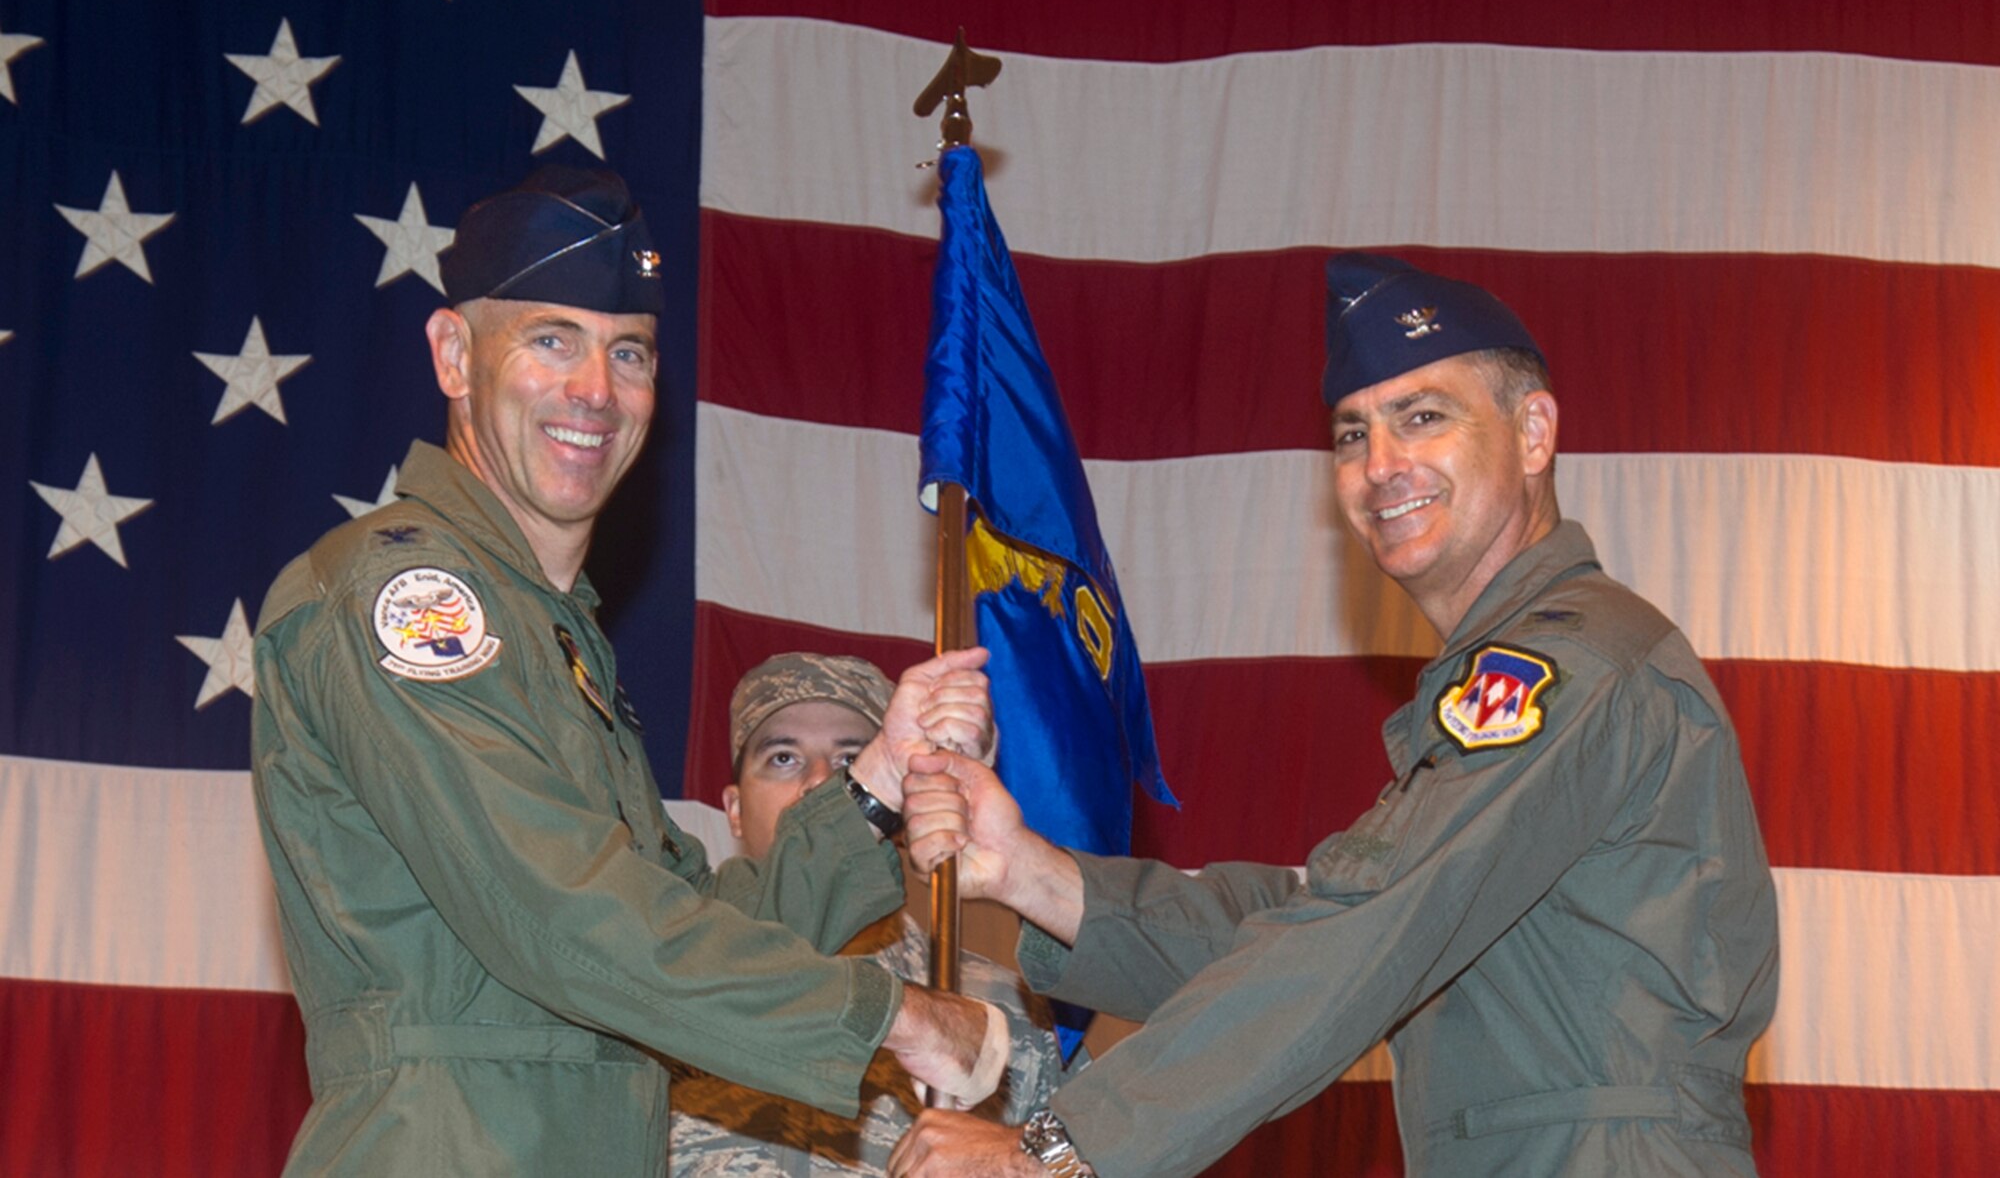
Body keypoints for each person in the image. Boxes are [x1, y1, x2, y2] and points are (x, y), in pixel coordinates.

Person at [889, 253, 1780, 1177]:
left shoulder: (1564, 664)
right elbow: (1311, 925)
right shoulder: (1520, 667)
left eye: (1423, 417)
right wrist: (1033, 875)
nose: (1380, 465)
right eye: (1352, 434)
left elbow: (1362, 935)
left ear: (1534, 432)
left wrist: (1053, 1153)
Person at [250, 166, 1009, 1177]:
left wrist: (872, 786)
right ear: (452, 356)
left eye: (629, 352)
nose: (595, 391)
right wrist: (896, 1019)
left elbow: (687, 932)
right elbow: (562, 919)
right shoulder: (410, 601)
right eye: (550, 340)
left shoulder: (554, 635)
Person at [670, 653, 1069, 1177]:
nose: (817, 784)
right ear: (734, 807)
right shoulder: (659, 983)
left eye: (848, 763)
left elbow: (1089, 1158)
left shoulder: (1001, 1013)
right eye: (783, 757)